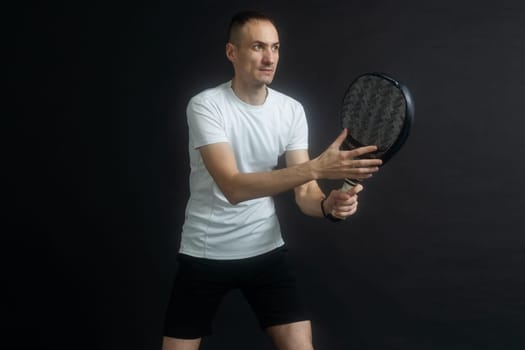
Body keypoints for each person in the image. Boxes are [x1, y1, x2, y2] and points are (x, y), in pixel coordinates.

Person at [162, 11, 382, 350]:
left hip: (266, 251)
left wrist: (327, 204)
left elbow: (305, 192)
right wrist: (317, 169)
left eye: (275, 47)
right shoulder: (206, 106)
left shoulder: (291, 110)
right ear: (232, 53)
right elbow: (233, 187)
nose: (269, 58)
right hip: (206, 253)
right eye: (258, 47)